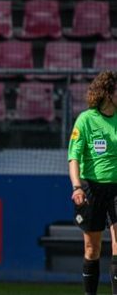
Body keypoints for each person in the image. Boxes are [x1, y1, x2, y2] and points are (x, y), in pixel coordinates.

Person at [68, 71, 117, 295]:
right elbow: (74, 157)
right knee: (92, 248)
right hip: (91, 190)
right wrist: (77, 187)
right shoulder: (86, 120)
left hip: (116, 189)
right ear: (108, 93)